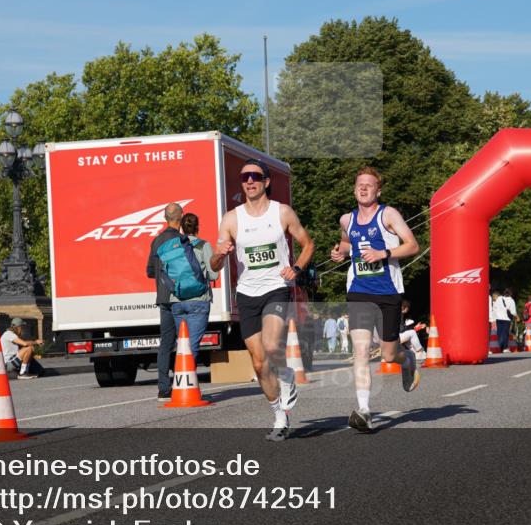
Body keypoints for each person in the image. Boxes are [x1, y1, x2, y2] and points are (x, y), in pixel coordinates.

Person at [211, 159, 314, 442]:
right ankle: (279, 415)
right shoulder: (232, 218)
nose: (250, 181)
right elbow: (215, 265)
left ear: (266, 182)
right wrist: (220, 253)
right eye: (245, 177)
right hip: (247, 293)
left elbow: (308, 244)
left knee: (271, 345)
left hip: (276, 288)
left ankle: (286, 375)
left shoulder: (282, 212)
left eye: (256, 176)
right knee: (258, 364)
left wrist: (297, 268)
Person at [330, 167, 420, 433]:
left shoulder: (388, 214)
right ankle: (364, 410)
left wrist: (384, 252)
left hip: (388, 291)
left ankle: (407, 360)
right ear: (354, 188)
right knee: (360, 350)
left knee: (388, 352)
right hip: (358, 290)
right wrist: (340, 252)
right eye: (360, 184)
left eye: (369, 185)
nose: (364, 188)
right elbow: (347, 243)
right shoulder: (347, 219)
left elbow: (412, 245)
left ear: (378, 190)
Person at [166, 213, 219, 363]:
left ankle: (179, 379)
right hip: (198, 301)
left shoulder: (172, 247)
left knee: (182, 344)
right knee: (192, 345)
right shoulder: (204, 246)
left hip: (177, 300)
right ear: (197, 227)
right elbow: (214, 276)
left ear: (181, 227)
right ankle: (186, 382)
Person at [147, 202, 184, 401]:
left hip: (164, 297)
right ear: (180, 218)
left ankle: (163, 388)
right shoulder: (183, 240)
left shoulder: (157, 241)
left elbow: (149, 271)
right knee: (186, 341)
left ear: (165, 217)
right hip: (183, 297)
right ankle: (185, 381)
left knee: (166, 343)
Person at [489, 288, 517, 353]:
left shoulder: (499, 299)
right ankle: (505, 347)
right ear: (510, 294)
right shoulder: (511, 300)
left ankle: (500, 346)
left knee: (499, 333)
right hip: (506, 319)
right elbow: (513, 311)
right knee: (505, 333)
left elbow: (494, 308)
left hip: (498, 318)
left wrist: (493, 318)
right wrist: (515, 316)